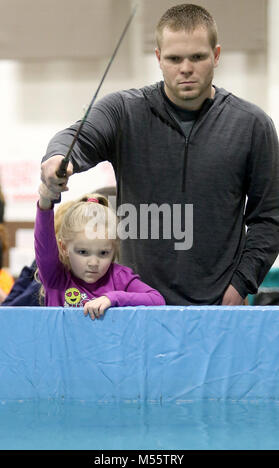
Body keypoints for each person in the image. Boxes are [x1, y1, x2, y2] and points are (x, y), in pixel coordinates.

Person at [40, 3, 279, 306]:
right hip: (133, 308)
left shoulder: (252, 126)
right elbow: (77, 137)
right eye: (174, 58)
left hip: (219, 311)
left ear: (216, 56)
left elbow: (269, 221)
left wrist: (240, 286)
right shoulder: (123, 111)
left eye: (198, 57)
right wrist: (58, 159)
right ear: (158, 59)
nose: (186, 68)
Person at [35, 184, 165, 319]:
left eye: (103, 253)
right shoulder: (55, 277)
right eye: (83, 252)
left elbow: (157, 300)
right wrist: (45, 203)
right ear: (64, 248)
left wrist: (114, 298)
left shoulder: (119, 277)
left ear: (113, 249)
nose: (93, 262)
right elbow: (43, 244)